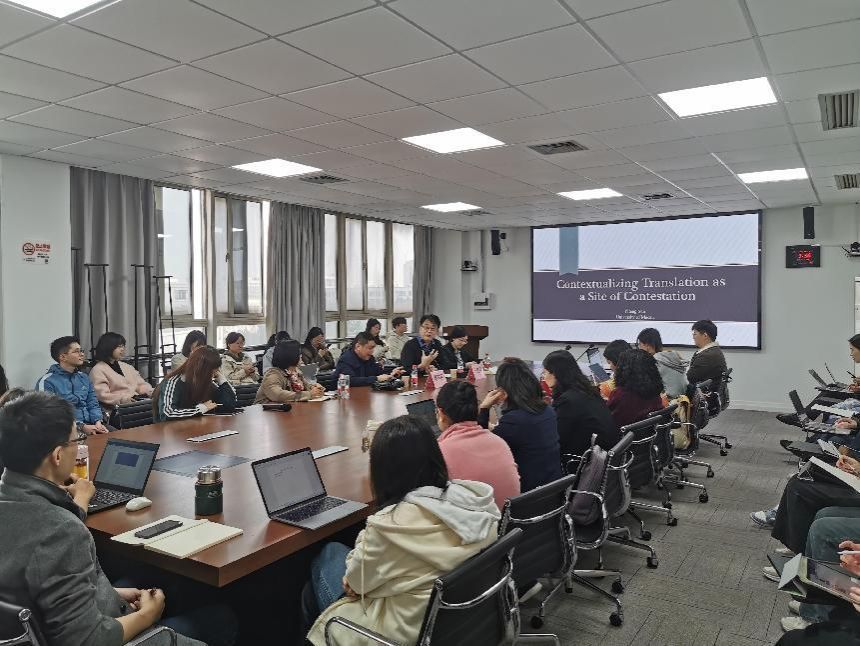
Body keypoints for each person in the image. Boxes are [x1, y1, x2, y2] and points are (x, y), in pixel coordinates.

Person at [0, 391, 236, 646]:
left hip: (40, 628)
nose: (78, 446)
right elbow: (89, 640)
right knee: (221, 618)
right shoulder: (61, 530)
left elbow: (39, 585)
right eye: (76, 440)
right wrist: (147, 615)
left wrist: (108, 593)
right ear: (57, 456)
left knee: (163, 584)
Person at [303, 415, 499, 646]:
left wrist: (355, 579)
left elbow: (356, 584)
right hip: (463, 623)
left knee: (323, 562)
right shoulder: (475, 502)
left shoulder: (390, 526)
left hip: (401, 632)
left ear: (382, 470)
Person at [478, 358, 561, 492]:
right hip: (553, 489)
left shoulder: (513, 421)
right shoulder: (548, 410)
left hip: (527, 495)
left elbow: (482, 447)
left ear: (503, 391)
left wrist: (484, 408)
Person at [435, 380, 520, 509]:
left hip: (477, 521)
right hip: (510, 518)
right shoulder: (499, 442)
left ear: (441, 413)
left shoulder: (440, 452)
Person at [542, 350, 620, 457]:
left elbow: (555, 438)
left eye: (545, 372)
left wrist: (545, 412)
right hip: (604, 455)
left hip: (585, 460)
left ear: (555, 374)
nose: (544, 377)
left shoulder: (567, 401)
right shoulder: (587, 391)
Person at [36, 336, 107, 435]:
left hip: (92, 424)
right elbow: (50, 414)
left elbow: (92, 403)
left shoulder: (84, 377)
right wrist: (81, 426)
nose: (82, 354)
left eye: (81, 350)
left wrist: (98, 421)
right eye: (76, 351)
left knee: (118, 438)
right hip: (67, 429)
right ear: (63, 357)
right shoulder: (47, 381)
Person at [155, 346, 237, 421]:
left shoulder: (206, 382)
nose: (212, 376)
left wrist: (222, 380)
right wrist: (200, 409)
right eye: (211, 372)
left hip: (195, 428)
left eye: (214, 372)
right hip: (171, 431)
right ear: (200, 369)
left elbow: (227, 406)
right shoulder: (172, 382)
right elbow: (167, 414)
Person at [89, 332, 153, 407]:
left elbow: (140, 384)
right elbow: (102, 395)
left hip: (137, 403)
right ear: (108, 347)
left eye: (123, 346)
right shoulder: (98, 370)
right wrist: (123, 399)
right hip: (118, 408)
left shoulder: (127, 367)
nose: (122, 349)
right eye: (119, 347)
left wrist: (151, 392)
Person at [607, 349, 664, 428]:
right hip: (651, 433)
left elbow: (606, 418)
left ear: (623, 370)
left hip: (623, 434)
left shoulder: (620, 394)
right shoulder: (655, 392)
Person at [255, 340, 325, 404]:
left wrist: (314, 388)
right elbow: (278, 395)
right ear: (290, 356)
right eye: (298, 354)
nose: (301, 356)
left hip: (289, 409)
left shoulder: (296, 371)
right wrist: (309, 394)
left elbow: (306, 386)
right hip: (266, 411)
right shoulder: (273, 375)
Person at [333, 333, 403, 387]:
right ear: (358, 346)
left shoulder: (369, 358)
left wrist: (391, 374)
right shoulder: (345, 359)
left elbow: (378, 372)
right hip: (347, 397)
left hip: (365, 395)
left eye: (373, 348)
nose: (372, 351)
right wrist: (376, 379)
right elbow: (351, 381)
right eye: (370, 348)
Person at [636, 328, 688, 399]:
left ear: (647, 345)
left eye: (640, 344)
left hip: (669, 401)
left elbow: (646, 387)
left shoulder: (655, 361)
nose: (639, 348)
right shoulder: (669, 357)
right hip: (682, 400)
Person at [686, 319, 727, 386]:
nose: (693, 337)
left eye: (695, 334)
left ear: (705, 336)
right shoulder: (714, 351)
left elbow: (689, 378)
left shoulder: (707, 356)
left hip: (704, 392)